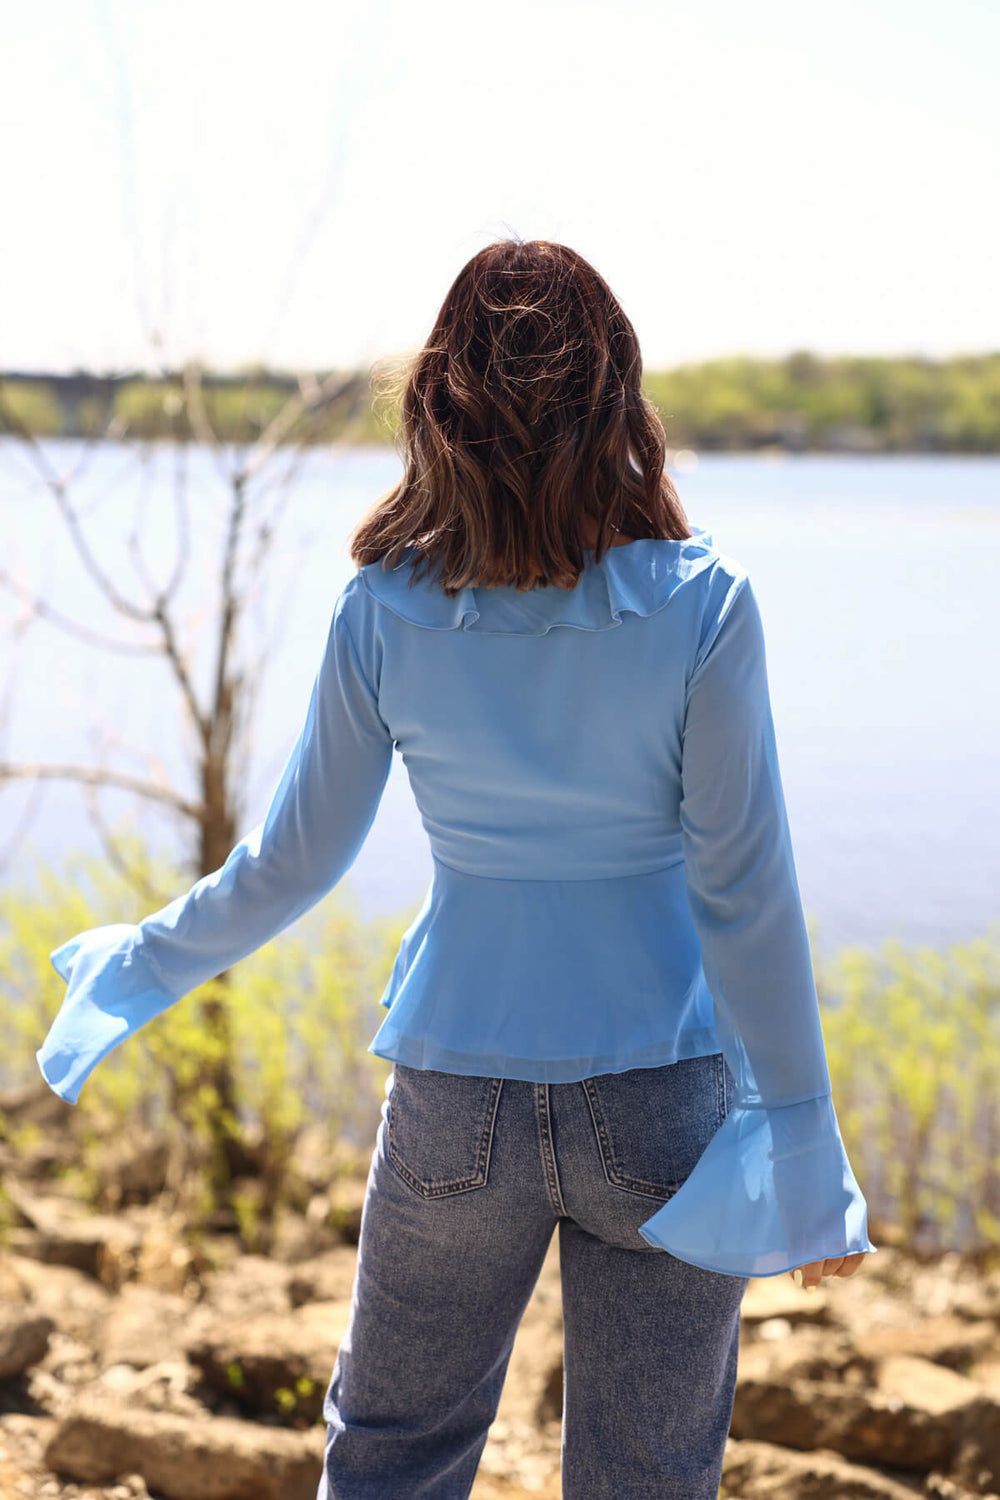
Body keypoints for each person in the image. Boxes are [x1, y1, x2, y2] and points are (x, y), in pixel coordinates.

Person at [36, 236, 876, 1499]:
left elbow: (290, 864)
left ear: (441, 402)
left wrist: (136, 964)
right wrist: (800, 1136)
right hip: (658, 1102)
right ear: (617, 399)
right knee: (648, 1475)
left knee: (390, 1455)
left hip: (451, 1100)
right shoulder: (703, 605)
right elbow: (743, 891)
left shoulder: (385, 606)